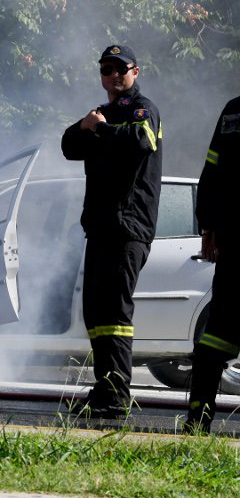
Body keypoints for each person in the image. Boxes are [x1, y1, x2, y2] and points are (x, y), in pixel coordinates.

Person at [61, 45, 163, 417]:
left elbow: (141, 142)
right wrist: (83, 126)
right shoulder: (100, 114)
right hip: (101, 228)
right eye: (107, 70)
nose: (113, 76)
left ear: (136, 72)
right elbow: (68, 146)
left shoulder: (143, 109)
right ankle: (105, 389)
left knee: (116, 314)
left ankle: (117, 396)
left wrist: (100, 132)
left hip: (129, 226)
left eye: (121, 69)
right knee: (97, 314)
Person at [182, 97, 240, 434]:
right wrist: (208, 226)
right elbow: (213, 170)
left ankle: (196, 424)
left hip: (232, 241)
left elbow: (212, 171)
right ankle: (195, 423)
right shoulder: (232, 110)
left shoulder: (233, 109)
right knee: (216, 337)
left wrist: (208, 225)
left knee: (216, 339)